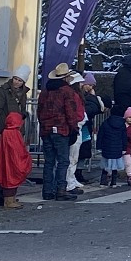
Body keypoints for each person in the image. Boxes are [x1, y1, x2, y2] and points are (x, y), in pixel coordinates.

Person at [37, 63, 83, 202]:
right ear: (66, 77)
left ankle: (47, 191)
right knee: (63, 161)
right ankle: (61, 190)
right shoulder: (67, 91)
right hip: (62, 129)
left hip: (46, 130)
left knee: (49, 161)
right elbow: (70, 113)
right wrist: (74, 129)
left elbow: (39, 111)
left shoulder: (45, 91)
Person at [0, 112, 31, 209]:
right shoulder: (14, 133)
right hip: (13, 161)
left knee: (9, 178)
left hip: (8, 160)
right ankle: (9, 201)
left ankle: (11, 199)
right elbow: (17, 149)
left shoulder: (6, 132)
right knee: (11, 178)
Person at [0, 65, 30, 135]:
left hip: (17, 128)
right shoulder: (2, 91)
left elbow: (23, 109)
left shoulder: (23, 94)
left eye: (20, 81)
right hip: (5, 127)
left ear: (23, 83)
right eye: (15, 79)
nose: (16, 82)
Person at [98, 108, 128, 186]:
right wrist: (124, 148)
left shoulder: (105, 123)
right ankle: (113, 182)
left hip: (106, 147)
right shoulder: (122, 125)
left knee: (105, 165)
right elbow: (124, 137)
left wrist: (99, 146)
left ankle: (103, 182)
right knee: (115, 166)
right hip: (117, 148)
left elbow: (100, 135)